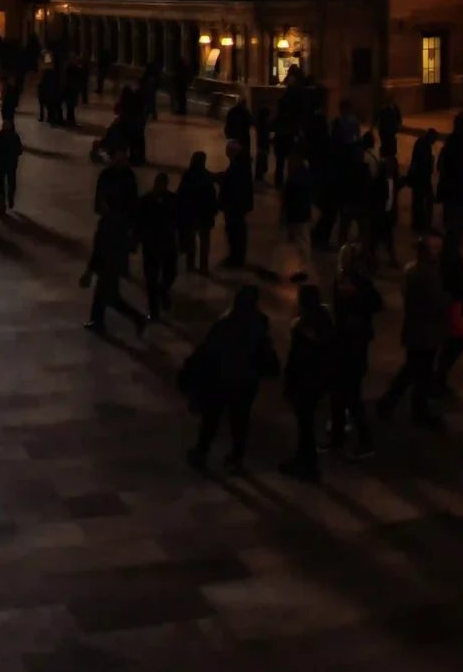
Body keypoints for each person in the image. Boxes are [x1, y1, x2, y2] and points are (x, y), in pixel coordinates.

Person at [185, 284, 279, 474]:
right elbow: (266, 357)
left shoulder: (225, 324)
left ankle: (201, 451)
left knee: (212, 418)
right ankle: (237, 457)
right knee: (240, 420)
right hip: (245, 383)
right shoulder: (259, 327)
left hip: (222, 379)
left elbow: (209, 350)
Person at [376, 236, 448, 429]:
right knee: (417, 370)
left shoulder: (411, 270)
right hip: (426, 331)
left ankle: (402, 405)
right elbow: (437, 302)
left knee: (414, 369)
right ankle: (401, 406)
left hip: (414, 329)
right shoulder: (427, 273)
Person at [328, 245, 380, 461]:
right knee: (338, 395)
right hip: (343, 346)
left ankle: (366, 442)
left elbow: (375, 304)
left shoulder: (359, 284)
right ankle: (337, 437)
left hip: (354, 349)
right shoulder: (341, 281)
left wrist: (356, 296)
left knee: (351, 397)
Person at [279, 284, 334, 482]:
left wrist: (288, 385)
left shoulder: (301, 328)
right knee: (306, 424)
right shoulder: (325, 321)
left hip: (304, 383)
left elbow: (295, 360)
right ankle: (303, 459)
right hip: (318, 382)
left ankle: (308, 465)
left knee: (305, 426)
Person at [81, 188, 145, 335]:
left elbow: (99, 247)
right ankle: (99, 321)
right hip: (114, 265)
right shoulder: (122, 220)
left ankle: (135, 318)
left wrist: (90, 270)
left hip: (106, 265)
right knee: (107, 296)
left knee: (108, 297)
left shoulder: (105, 222)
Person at [136, 172, 182, 321]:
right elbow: (138, 223)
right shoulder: (146, 201)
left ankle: (161, 292)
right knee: (151, 279)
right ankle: (154, 309)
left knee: (169, 274)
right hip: (152, 245)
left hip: (166, 244)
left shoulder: (172, 199)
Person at [220, 141, 255, 271]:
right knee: (236, 232)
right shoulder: (240, 165)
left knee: (235, 233)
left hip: (234, 206)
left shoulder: (238, 167)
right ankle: (236, 256)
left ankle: (236, 258)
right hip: (237, 205)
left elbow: (234, 187)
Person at [0, 117, 22, 214]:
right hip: (10, 164)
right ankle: (9, 200)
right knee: (11, 184)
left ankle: (3, 205)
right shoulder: (14, 137)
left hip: (1, 164)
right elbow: (19, 151)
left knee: (2, 186)